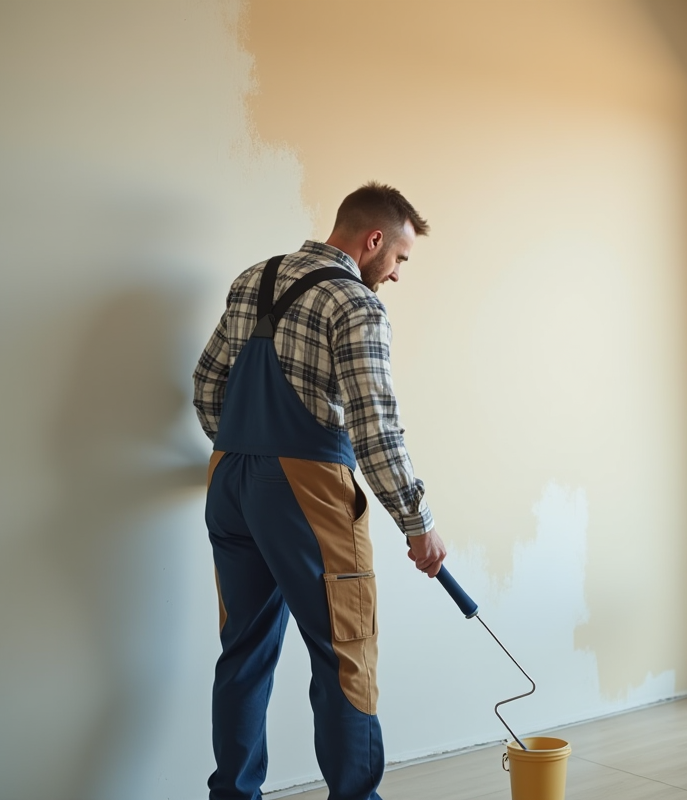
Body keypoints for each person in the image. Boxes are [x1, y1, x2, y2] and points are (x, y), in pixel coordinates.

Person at [192, 182, 447, 800]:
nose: (396, 274)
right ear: (374, 240)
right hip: (308, 490)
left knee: (244, 650)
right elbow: (375, 425)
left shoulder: (254, 279)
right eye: (400, 259)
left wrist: (245, 447)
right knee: (346, 654)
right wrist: (418, 521)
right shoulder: (354, 302)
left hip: (230, 481)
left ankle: (232, 795)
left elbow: (206, 385)